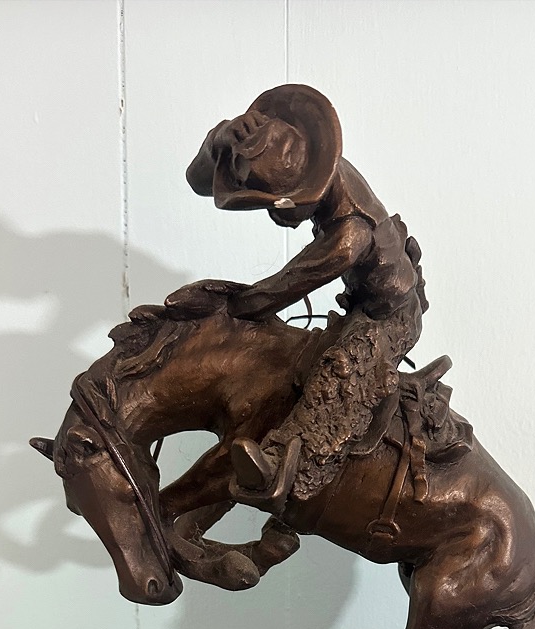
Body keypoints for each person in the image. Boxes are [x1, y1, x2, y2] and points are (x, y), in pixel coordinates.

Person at [183, 84, 428, 511]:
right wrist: (221, 138)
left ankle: (284, 468)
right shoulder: (319, 162)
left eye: (280, 205)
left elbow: (279, 289)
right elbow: (198, 181)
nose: (278, 215)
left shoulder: (349, 236)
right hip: (359, 304)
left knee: (341, 373)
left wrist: (227, 307)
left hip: (392, 316)